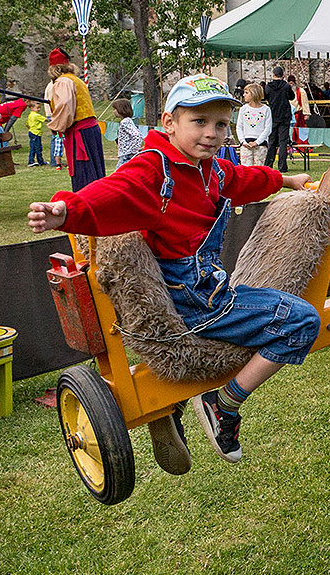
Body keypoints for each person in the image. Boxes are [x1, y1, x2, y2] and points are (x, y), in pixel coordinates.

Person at [27, 74, 314, 464]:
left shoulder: (208, 168)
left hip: (202, 286)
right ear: (169, 122)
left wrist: (285, 179)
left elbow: (242, 179)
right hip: (194, 299)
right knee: (301, 320)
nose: (212, 133)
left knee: (273, 307)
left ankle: (169, 406)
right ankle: (223, 404)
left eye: (221, 124)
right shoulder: (154, 169)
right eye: (199, 122)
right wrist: (66, 210)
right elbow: (113, 192)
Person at [46, 48, 106, 190]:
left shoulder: (62, 82)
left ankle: (86, 202)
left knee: (84, 172)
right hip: (90, 129)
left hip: (80, 132)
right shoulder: (76, 80)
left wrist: (56, 125)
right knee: (94, 171)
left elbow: (65, 104)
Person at [263, 66, 294, 170]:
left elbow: (265, 97)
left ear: (273, 75)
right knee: (283, 142)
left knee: (272, 141)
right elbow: (292, 97)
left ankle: (268, 164)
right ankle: (282, 166)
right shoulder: (286, 86)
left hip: (272, 116)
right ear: (283, 75)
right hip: (284, 116)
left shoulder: (268, 87)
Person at [235, 84, 270, 167]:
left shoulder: (266, 109)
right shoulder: (243, 109)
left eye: (246, 93)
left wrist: (257, 142)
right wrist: (243, 141)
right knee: (246, 170)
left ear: (254, 93)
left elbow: (268, 128)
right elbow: (239, 126)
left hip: (261, 144)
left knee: (259, 169)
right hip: (246, 144)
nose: (244, 95)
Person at [112, 98, 145, 167]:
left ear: (121, 109)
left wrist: (134, 151)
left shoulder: (125, 122)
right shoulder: (128, 121)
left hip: (125, 156)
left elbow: (137, 136)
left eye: (115, 109)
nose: (113, 111)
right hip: (125, 155)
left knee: (118, 176)